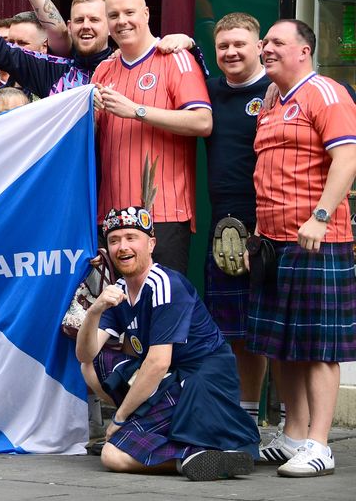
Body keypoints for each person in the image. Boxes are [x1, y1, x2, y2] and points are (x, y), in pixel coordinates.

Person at [76, 203, 259, 481]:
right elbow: (84, 355)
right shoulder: (120, 290)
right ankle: (190, 454)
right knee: (91, 366)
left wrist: (120, 418)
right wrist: (94, 310)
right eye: (114, 240)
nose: (122, 247)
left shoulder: (165, 284)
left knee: (113, 455)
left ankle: (192, 454)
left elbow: (158, 363)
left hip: (200, 385)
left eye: (131, 238)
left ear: (151, 244)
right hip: (171, 380)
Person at [248, 19, 356, 477]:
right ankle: (293, 435)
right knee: (280, 344)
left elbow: (348, 158)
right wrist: (258, 231)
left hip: (317, 240)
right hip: (273, 242)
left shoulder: (326, 93)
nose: (266, 48)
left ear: (304, 50)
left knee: (317, 346)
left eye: (277, 42)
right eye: (265, 42)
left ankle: (319, 444)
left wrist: (321, 216)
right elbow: (268, 169)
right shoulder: (272, 98)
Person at [92, 0, 211, 274]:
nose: (122, 21)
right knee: (115, 301)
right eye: (114, 15)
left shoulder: (175, 58)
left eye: (129, 12)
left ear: (146, 14)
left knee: (162, 298)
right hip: (112, 217)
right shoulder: (104, 69)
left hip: (163, 213)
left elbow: (202, 122)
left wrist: (137, 111)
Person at [201, 13, 271, 425]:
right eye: (223, 45)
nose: (231, 52)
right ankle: (246, 420)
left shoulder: (277, 90)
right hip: (223, 225)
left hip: (271, 222)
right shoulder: (209, 90)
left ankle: (290, 423)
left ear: (259, 46)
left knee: (276, 330)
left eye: (239, 44)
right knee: (236, 332)